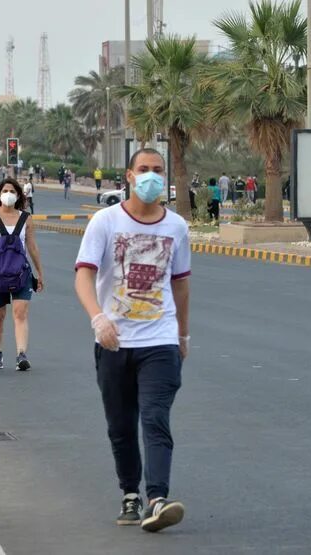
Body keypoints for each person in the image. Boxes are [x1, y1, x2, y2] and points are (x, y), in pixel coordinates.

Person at [74, 148, 191, 532]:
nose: (151, 177)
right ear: (128, 176)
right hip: (113, 342)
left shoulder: (176, 227)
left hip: (160, 340)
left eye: (158, 171)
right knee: (120, 425)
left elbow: (181, 284)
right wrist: (98, 318)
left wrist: (182, 334)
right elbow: (84, 276)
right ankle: (130, 493)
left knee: (155, 419)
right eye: (144, 170)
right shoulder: (105, 222)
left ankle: (157, 498)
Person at [0, 178, 45, 371]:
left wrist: (40, 273)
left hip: (21, 274)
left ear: (19, 195)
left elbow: (32, 247)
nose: (8, 194)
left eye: (12, 191)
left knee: (20, 313)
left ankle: (22, 354)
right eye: (5, 190)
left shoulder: (25, 218)